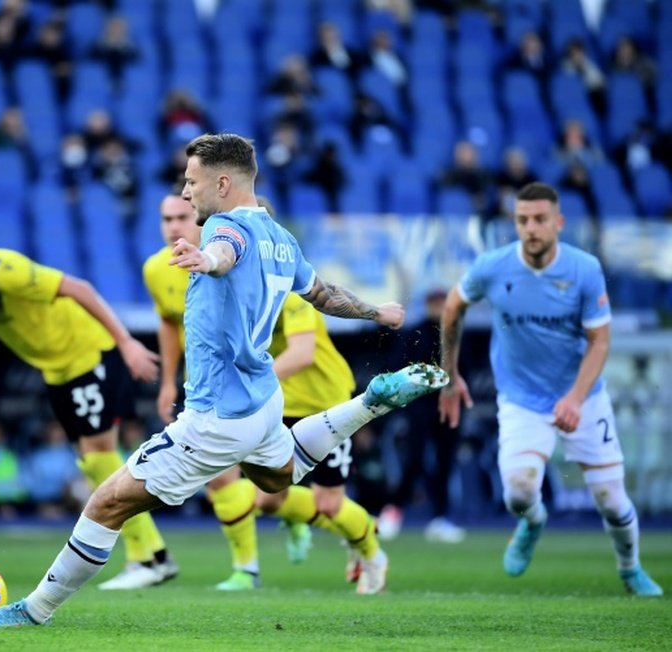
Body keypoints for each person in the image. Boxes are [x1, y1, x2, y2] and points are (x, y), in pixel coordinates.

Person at [0, 133, 447, 628]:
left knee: (108, 502)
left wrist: (208, 260)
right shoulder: (282, 238)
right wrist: (376, 311)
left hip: (217, 414)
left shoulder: (224, 227)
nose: (186, 191)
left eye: (192, 181)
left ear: (222, 181)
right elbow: (323, 293)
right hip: (263, 401)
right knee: (277, 476)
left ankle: (35, 610)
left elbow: (226, 250)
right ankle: (368, 402)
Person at [142, 189, 389, 593]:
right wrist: (173, 379)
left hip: (318, 395)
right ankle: (249, 568)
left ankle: (370, 548)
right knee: (264, 495)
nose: (173, 227)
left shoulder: (278, 272)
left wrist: (247, 376)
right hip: (265, 398)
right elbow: (173, 323)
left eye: (180, 217)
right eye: (165, 219)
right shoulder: (164, 269)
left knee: (325, 503)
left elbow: (304, 352)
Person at [0, 205, 177, 587]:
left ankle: (152, 557)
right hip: (58, 369)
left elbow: (80, 289)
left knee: (99, 454)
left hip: (89, 352)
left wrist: (126, 344)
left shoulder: (1, 270)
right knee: (92, 462)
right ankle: (148, 556)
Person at [438, 182, 663, 597]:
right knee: (518, 493)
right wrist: (450, 374)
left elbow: (600, 341)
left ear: (558, 222)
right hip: (521, 397)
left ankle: (631, 570)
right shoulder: (494, 266)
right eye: (522, 220)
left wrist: (576, 398)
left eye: (540, 220)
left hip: (582, 395)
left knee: (612, 502)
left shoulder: (584, 270)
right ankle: (533, 521)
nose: (531, 229)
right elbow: (453, 306)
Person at [377, 290, 467, 544]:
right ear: (427, 304)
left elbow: (464, 371)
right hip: (419, 406)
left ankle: (441, 518)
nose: (438, 308)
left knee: (445, 462)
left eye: (442, 303)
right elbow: (399, 368)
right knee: (414, 459)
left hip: (449, 407)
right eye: (434, 303)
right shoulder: (413, 332)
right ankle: (393, 511)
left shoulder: (455, 334)